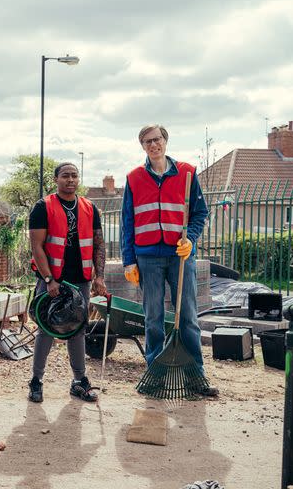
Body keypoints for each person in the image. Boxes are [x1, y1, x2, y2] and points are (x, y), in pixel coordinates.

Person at [120, 124, 218, 397]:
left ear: (166, 141)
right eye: (148, 141)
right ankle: (156, 374)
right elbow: (127, 222)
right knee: (153, 317)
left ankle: (196, 376)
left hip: (180, 256)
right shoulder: (134, 178)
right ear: (142, 146)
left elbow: (200, 214)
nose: (154, 145)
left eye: (158, 139)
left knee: (187, 316)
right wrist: (129, 261)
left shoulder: (187, 173)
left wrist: (191, 240)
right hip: (147, 257)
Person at [27, 162, 106, 403]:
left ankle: (79, 381)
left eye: (74, 175)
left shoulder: (89, 208)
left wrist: (98, 276)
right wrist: (49, 279)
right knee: (46, 329)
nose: (70, 180)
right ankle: (36, 381)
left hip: (80, 278)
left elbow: (98, 244)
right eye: (65, 176)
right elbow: (36, 246)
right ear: (56, 179)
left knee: (77, 330)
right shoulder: (42, 207)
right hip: (53, 279)